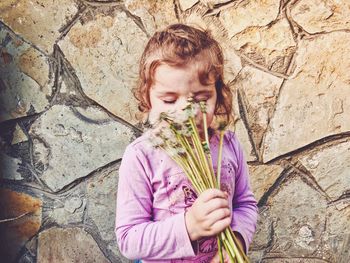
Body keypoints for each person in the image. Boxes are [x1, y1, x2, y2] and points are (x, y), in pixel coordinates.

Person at [115, 23, 258, 263]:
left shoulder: (228, 144)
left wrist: (235, 245)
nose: (187, 110)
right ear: (147, 99)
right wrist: (189, 226)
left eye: (202, 98)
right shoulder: (141, 156)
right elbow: (129, 240)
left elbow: (245, 204)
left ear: (218, 95)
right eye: (169, 100)